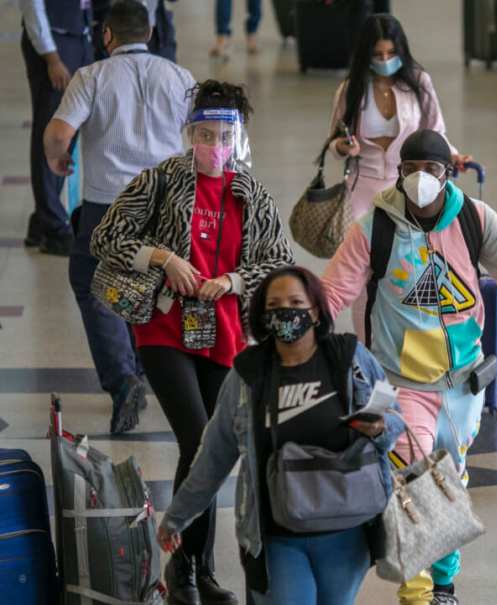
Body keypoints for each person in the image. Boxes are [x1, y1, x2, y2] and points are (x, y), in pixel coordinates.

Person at [321, 129, 497, 605]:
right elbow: (333, 291)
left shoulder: (476, 220)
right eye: (410, 170)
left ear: (448, 174)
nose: (420, 179)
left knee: (450, 482)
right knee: (413, 480)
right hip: (399, 383)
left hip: (463, 384)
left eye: (431, 170)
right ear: (399, 173)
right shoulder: (375, 227)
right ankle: (417, 596)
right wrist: (297, 332)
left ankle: (445, 583)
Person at [92, 80, 294, 605]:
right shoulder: (161, 180)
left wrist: (231, 281)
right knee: (197, 438)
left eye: (223, 135)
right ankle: (181, 573)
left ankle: (199, 570)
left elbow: (276, 261)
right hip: (163, 329)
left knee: (213, 452)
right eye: (204, 133)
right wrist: (164, 259)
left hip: (224, 333)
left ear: (238, 138)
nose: (213, 145)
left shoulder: (251, 193)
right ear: (189, 134)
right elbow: (106, 236)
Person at [157, 266, 405, 605]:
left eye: (295, 302)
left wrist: (379, 428)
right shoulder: (248, 374)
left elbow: (393, 419)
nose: (285, 312)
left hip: (347, 530)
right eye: (274, 305)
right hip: (276, 536)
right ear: (261, 315)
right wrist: (177, 518)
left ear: (315, 310)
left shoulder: (349, 358)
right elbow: (214, 455)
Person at [43, 0, 195, 435]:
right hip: (165, 202)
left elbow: (58, 134)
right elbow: (207, 133)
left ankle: (123, 378)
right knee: (153, 280)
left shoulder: (91, 76)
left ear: (106, 36)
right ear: (149, 33)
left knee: (92, 284)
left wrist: (58, 161)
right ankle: (154, 369)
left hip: (108, 205)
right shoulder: (178, 76)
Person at [327, 13, 472, 338]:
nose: (385, 60)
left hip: (409, 188)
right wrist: (342, 146)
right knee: (362, 275)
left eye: (391, 54)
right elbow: (332, 145)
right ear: (366, 54)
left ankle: (409, 340)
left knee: (409, 269)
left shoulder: (419, 84)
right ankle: (367, 344)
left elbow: (435, 133)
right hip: (362, 190)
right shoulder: (350, 90)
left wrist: (453, 155)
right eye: (377, 55)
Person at [18, 0, 94, 256]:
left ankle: (42, 220)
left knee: (68, 133)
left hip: (80, 36)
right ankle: (53, 229)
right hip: (56, 47)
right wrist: (51, 58)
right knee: (51, 134)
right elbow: (33, 8)